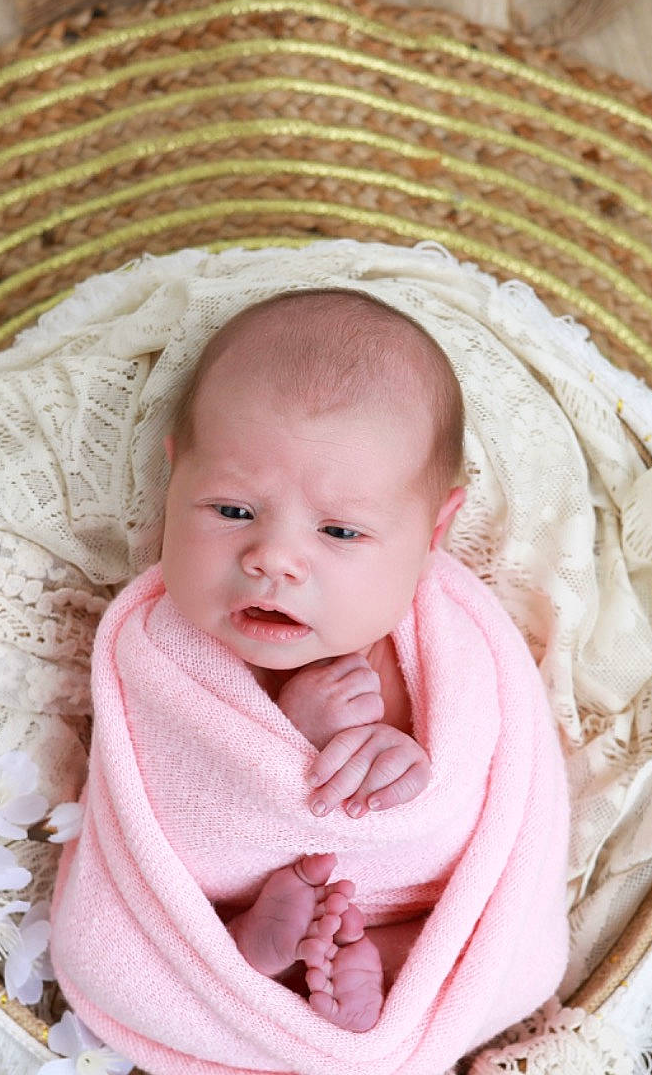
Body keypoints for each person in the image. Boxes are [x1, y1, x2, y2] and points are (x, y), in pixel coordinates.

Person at [151, 288, 470, 1032]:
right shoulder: (164, 645)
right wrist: (281, 738)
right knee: (169, 935)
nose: (273, 560)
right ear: (175, 479)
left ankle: (383, 971)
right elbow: (157, 795)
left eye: (340, 531)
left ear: (433, 529)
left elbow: (492, 780)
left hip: (402, 894)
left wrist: (413, 770)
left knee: (456, 932)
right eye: (232, 511)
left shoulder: (447, 643)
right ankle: (244, 953)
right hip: (216, 894)